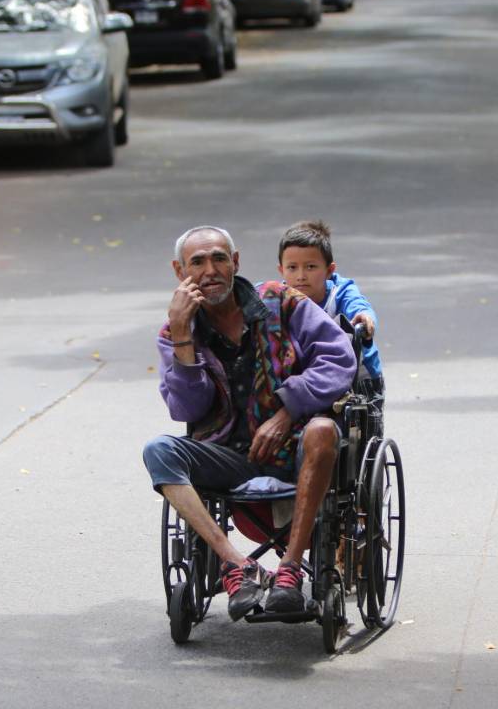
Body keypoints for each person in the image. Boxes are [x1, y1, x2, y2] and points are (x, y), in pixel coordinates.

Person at [143, 225, 356, 621]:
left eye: (219, 259)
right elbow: (188, 409)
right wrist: (182, 338)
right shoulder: (175, 333)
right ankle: (237, 566)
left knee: (325, 429)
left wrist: (287, 410)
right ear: (180, 271)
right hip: (227, 453)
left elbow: (339, 358)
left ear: (235, 262)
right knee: (158, 450)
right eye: (198, 262)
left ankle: (290, 569)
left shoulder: (280, 301)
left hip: (296, 446)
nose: (210, 270)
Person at [277, 219, 385, 437]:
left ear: (329, 270)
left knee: (363, 436)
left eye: (311, 267)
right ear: (281, 270)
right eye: (292, 268)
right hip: (307, 374)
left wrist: (363, 317)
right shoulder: (277, 296)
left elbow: (359, 307)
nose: (300, 276)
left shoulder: (340, 292)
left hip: (359, 377)